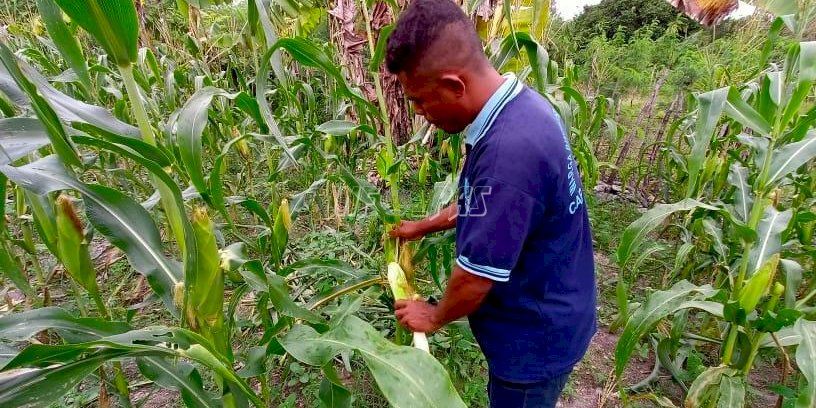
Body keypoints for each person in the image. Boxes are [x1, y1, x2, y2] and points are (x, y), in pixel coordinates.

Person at [384, 0, 597, 407]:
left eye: (421, 101)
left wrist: (434, 315)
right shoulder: (519, 108)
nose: (419, 113)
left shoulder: (508, 153)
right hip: (555, 303)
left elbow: (476, 277)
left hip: (534, 337)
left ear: (454, 85)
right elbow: (487, 203)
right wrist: (425, 226)